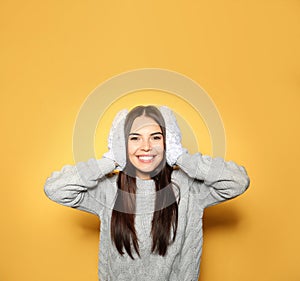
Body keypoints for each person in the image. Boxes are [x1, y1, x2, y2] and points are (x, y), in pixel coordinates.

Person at [44, 105, 250, 281]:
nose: (146, 147)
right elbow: (56, 188)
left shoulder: (188, 187)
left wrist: (180, 156)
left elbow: (237, 182)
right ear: (122, 144)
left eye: (155, 137)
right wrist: (111, 160)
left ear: (168, 142)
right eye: (135, 138)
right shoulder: (108, 190)